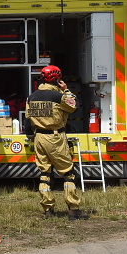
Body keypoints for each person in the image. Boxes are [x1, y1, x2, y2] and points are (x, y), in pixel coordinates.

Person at [26, 65, 85, 220]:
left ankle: (48, 210)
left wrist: (31, 136)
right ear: (57, 79)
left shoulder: (31, 97)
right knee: (69, 173)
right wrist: (66, 90)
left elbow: (27, 122)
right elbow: (74, 107)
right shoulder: (58, 96)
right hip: (55, 137)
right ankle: (73, 209)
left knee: (45, 174)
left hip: (39, 137)